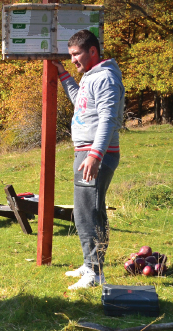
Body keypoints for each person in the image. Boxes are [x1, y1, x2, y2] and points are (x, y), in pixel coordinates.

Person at [53, 29, 125, 290]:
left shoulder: (104, 77)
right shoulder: (91, 76)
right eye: (70, 55)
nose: (73, 60)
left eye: (76, 54)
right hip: (88, 152)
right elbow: (80, 103)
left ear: (92, 51)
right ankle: (90, 264)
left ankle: (95, 273)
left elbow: (108, 118)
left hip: (95, 154)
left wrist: (95, 155)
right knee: (91, 210)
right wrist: (62, 73)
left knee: (87, 213)